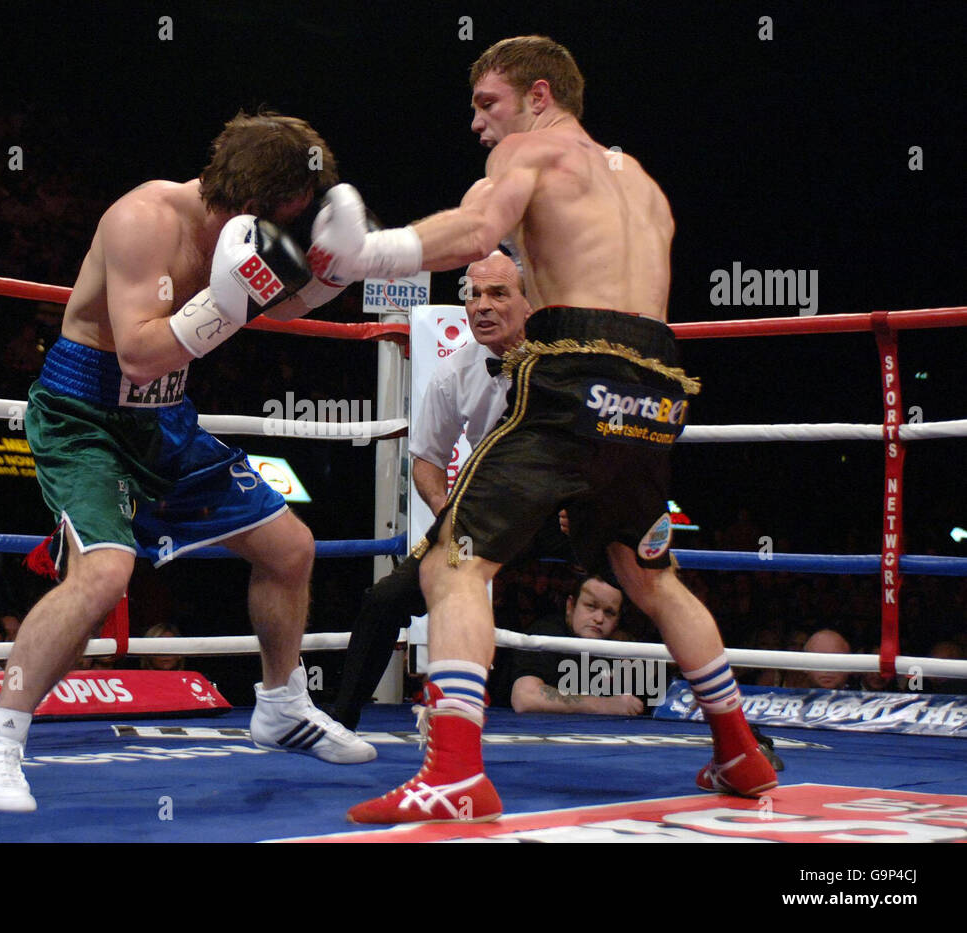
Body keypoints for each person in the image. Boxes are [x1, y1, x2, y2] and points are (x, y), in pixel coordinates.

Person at [309, 35, 777, 823]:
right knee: (648, 575)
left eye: (487, 104)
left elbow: (475, 227)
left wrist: (370, 253)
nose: (477, 124)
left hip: (574, 368)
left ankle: (455, 770)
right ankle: (740, 751)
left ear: (536, 94)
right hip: (656, 384)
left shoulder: (532, 151)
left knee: (453, 562)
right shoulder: (646, 185)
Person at [0, 112, 374, 813]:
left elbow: (286, 307)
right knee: (106, 573)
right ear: (251, 199)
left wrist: (332, 275)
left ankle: (280, 705)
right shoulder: (143, 221)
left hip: (166, 420)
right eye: (292, 214)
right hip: (86, 418)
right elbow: (140, 351)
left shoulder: (256, 230)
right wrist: (224, 305)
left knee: (289, 548)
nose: (297, 225)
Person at [329, 251, 571, 729]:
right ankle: (341, 720)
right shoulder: (455, 371)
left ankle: (726, 729)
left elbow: (608, 439)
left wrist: (586, 503)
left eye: (498, 293)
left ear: (530, 303)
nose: (481, 305)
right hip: (496, 507)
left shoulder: (569, 359)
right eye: (473, 295)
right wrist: (447, 512)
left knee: (649, 576)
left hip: (570, 501)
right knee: (386, 599)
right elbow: (426, 459)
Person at [507, 574, 644, 714]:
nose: (599, 618)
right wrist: (603, 705)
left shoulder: (619, 648)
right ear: (570, 606)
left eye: (609, 612)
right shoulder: (547, 634)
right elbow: (525, 697)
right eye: (591, 606)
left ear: (617, 621)